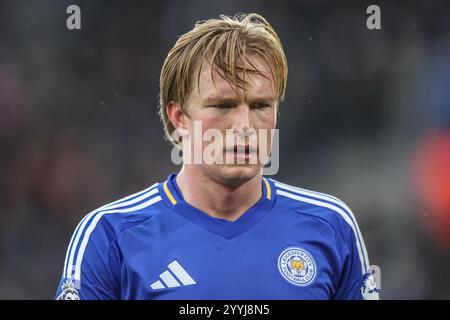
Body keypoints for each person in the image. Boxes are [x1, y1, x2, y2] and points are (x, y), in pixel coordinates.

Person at [55, 13, 379, 300]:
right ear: (178, 117)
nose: (244, 127)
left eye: (260, 106)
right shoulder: (110, 236)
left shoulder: (332, 226)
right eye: (223, 106)